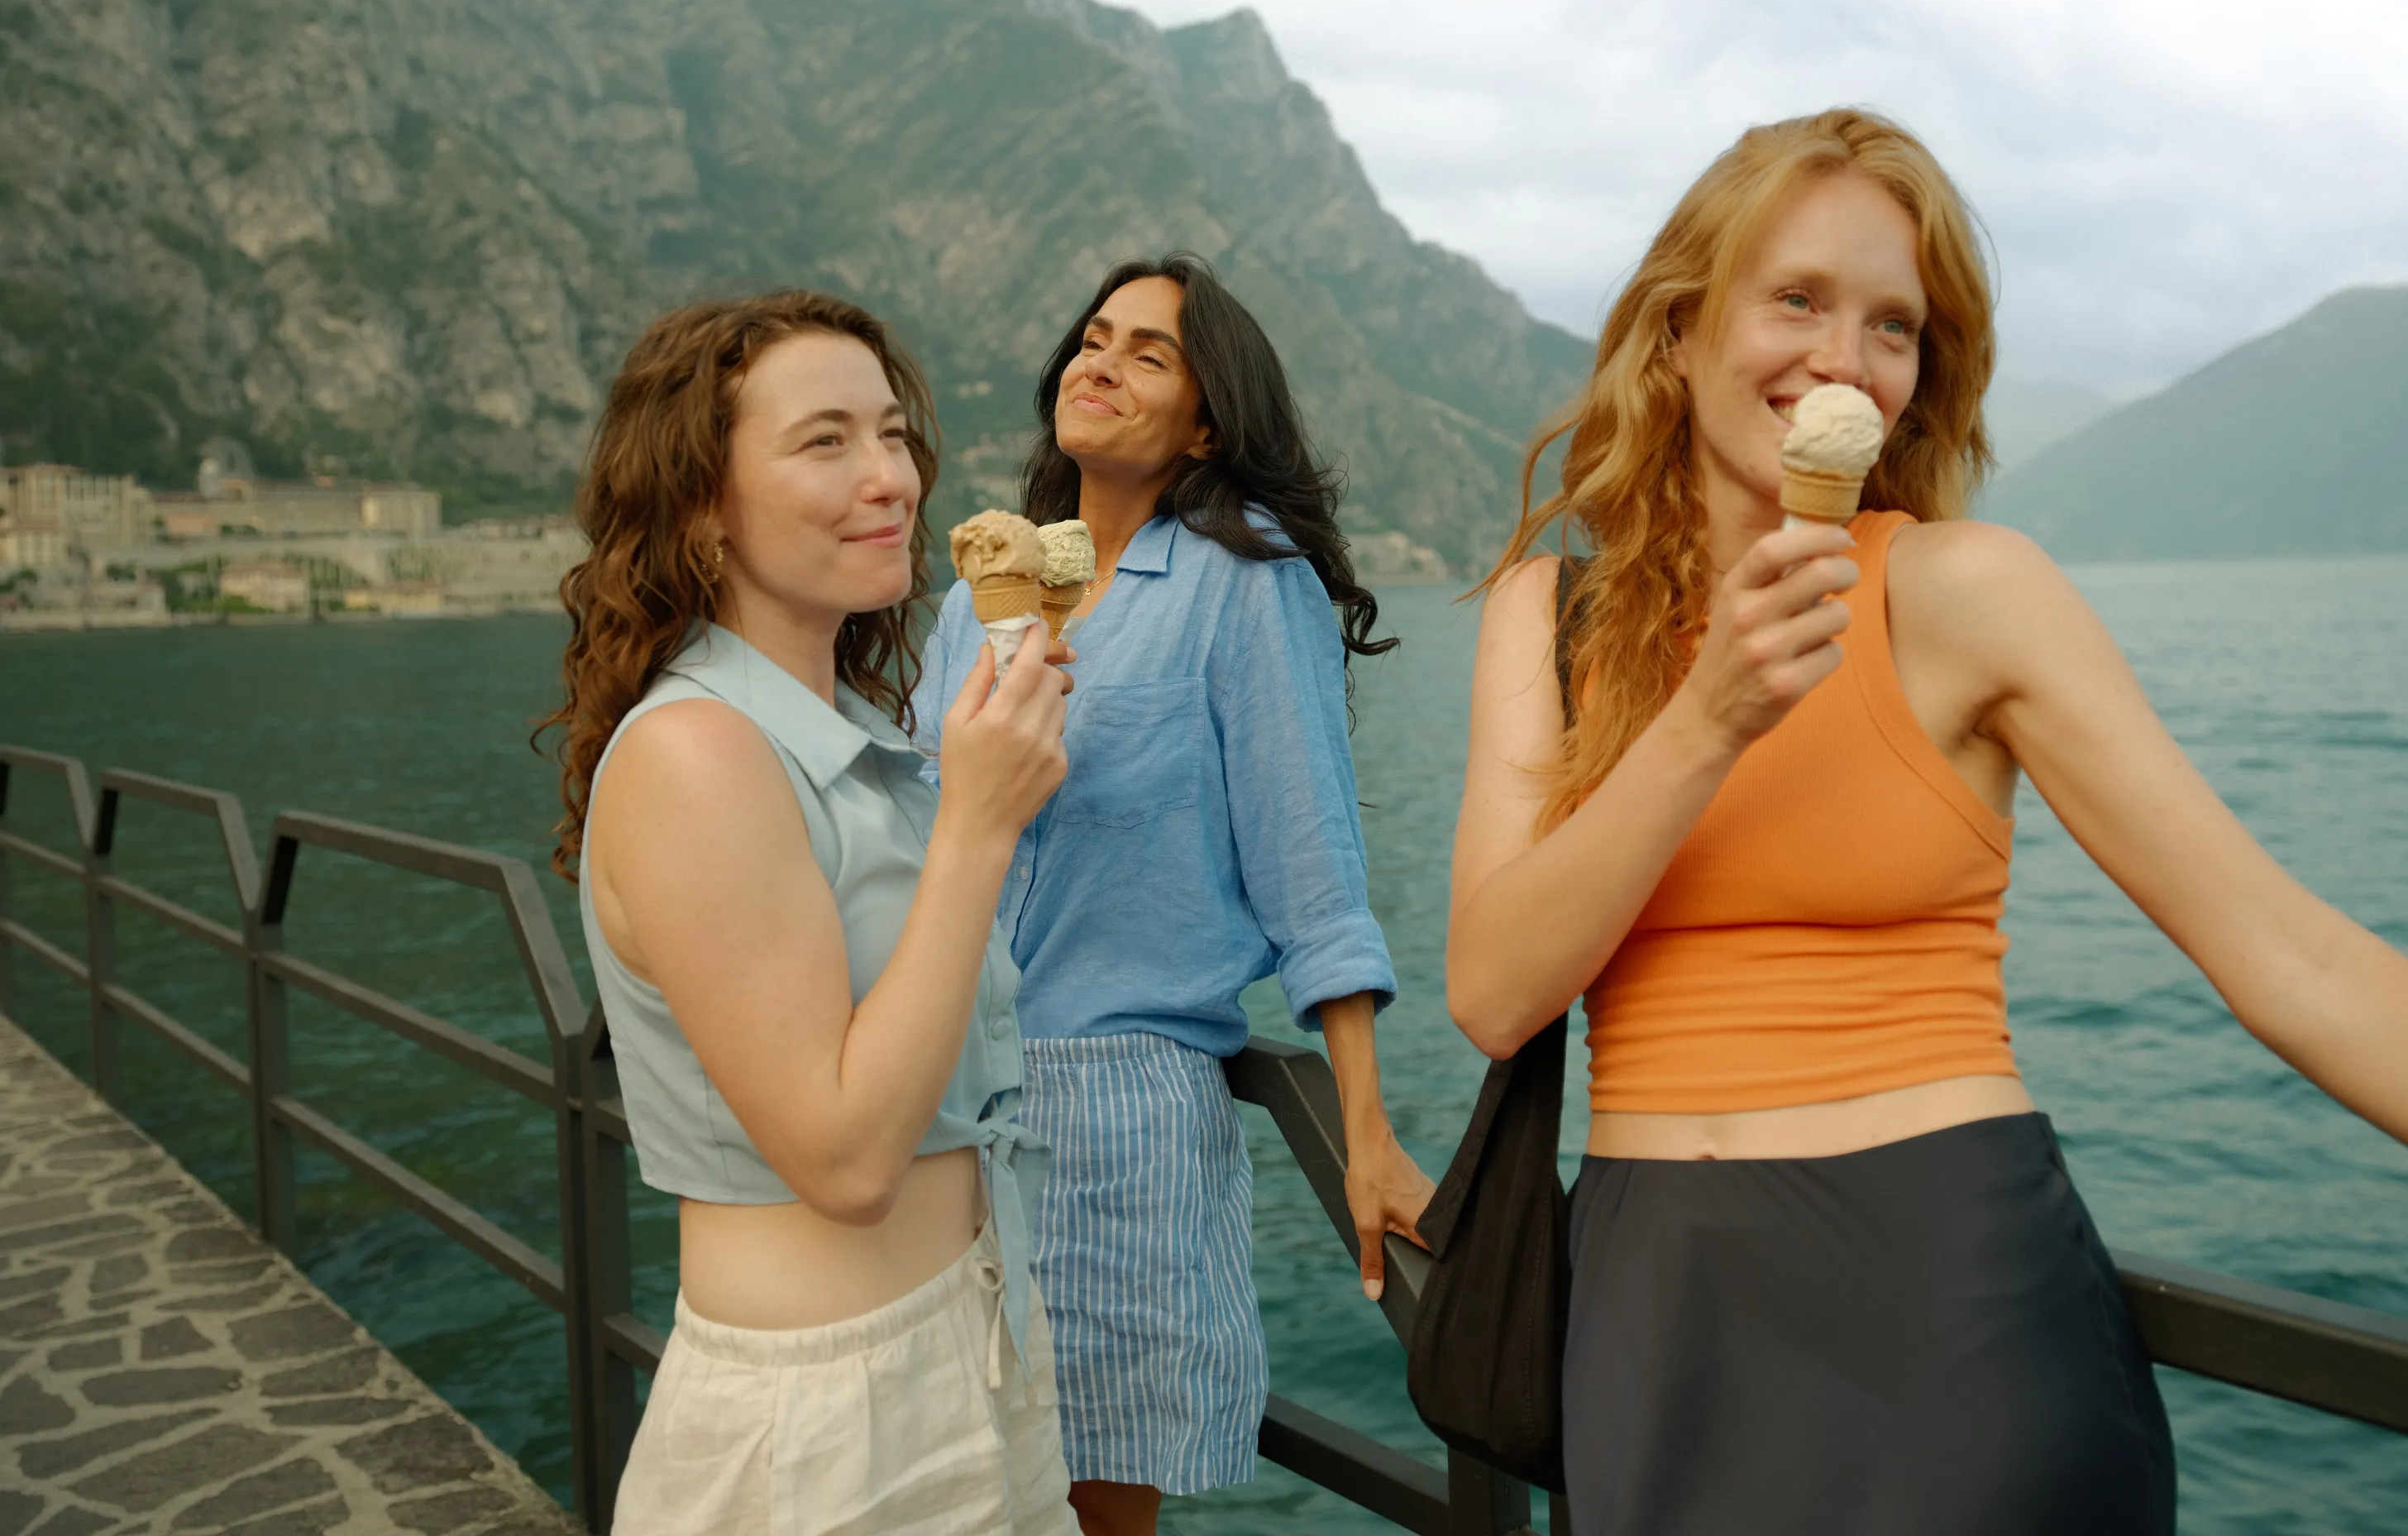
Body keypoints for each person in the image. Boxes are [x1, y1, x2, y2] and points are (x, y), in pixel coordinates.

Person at [1445, 109, 2408, 1536]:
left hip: (1949, 1303)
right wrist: (1708, 715)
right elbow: (1493, 991)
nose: (1844, 359)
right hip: (1658, 1319)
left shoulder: (1969, 589)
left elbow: (2289, 957)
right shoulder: (1553, 614)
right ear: (1677, 331)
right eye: (1797, 300)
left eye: (1893, 326)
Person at [911, 255, 1435, 1536]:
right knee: (939, 1490)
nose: (1102, 362)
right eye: (1095, 337)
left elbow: (1312, 870)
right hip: (927, 1097)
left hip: (1117, 1118)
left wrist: (1365, 1125)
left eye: (1150, 353)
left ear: (1205, 422)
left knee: (1091, 1511)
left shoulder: (1248, 588)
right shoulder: (961, 615)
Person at [542, 290, 1079, 1534]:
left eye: (892, 435)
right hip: (830, 1422)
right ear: (698, 506)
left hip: (977, 1352)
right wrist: (980, 825)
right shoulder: (695, 755)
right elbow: (841, 1157)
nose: (889, 476)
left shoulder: (855, 743)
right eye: (824, 441)